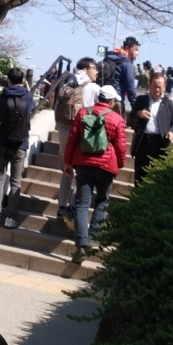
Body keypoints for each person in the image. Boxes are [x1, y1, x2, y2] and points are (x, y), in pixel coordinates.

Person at [63, 84, 126, 263]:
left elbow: (72, 139)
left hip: (83, 164)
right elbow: (121, 146)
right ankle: (94, 235)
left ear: (99, 98)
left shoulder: (83, 113)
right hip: (106, 165)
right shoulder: (116, 119)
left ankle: (80, 246)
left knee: (82, 204)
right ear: (112, 101)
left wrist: (68, 162)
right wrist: (119, 165)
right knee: (102, 201)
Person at [54, 57, 100, 229]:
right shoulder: (94, 89)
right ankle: (71, 210)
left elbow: (57, 108)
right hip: (83, 133)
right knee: (82, 174)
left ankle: (60, 208)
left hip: (64, 129)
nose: (97, 72)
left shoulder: (68, 85)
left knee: (66, 172)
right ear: (86, 69)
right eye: (94, 68)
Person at [0, 68, 34, 229]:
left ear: (8, 80)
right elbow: (30, 111)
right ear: (22, 80)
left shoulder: (4, 94)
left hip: (2, 141)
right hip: (20, 144)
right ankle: (10, 217)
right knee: (16, 181)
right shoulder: (27, 96)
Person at [130, 71, 173, 183]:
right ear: (149, 85)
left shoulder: (170, 104)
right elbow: (131, 116)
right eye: (155, 86)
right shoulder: (141, 100)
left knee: (159, 177)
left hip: (160, 142)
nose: (157, 89)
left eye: (160, 87)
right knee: (140, 176)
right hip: (143, 142)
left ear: (165, 87)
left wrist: (171, 132)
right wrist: (138, 114)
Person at [106, 36, 140, 110]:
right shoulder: (127, 64)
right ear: (127, 48)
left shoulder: (110, 58)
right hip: (116, 101)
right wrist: (135, 106)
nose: (137, 53)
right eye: (136, 50)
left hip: (103, 99)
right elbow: (130, 87)